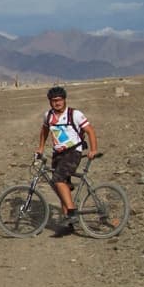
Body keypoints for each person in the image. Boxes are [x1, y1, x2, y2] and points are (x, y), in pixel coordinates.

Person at [36, 86, 98, 237]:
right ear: (50, 102)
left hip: (73, 152)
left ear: (64, 100)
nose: (57, 103)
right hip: (58, 154)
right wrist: (41, 148)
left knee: (58, 179)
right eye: (53, 101)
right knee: (62, 187)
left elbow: (90, 130)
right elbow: (44, 131)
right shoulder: (48, 116)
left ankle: (71, 213)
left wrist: (93, 149)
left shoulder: (74, 114)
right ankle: (69, 224)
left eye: (59, 100)